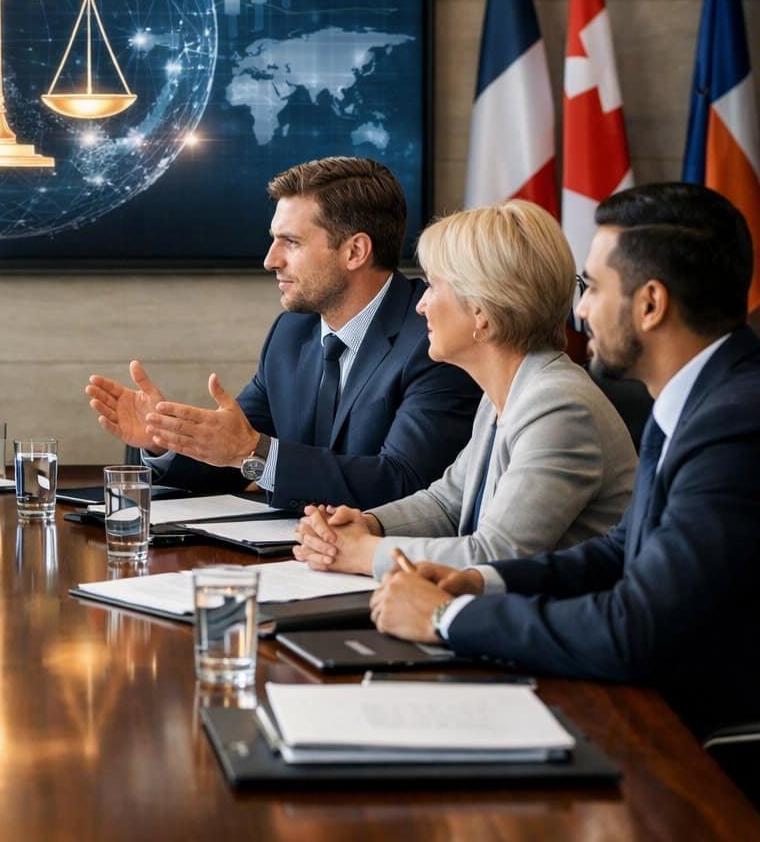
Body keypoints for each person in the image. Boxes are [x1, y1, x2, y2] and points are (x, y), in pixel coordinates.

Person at [370, 183, 760, 740]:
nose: (577, 310)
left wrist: (444, 617)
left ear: (650, 304)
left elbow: (636, 629)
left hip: (696, 739)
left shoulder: (735, 423)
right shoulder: (697, 399)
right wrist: (479, 583)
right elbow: (618, 551)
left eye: (593, 288)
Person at [86, 157, 479, 510]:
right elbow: (233, 452)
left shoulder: (435, 337)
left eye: (291, 242)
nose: (270, 260)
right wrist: (164, 441)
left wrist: (251, 450)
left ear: (355, 251)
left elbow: (405, 484)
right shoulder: (292, 333)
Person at [292, 200, 636, 578]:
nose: (421, 305)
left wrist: (364, 553)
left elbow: (497, 554)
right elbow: (447, 502)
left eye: (434, 286)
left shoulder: (558, 406)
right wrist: (368, 525)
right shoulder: (505, 392)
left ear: (482, 313)